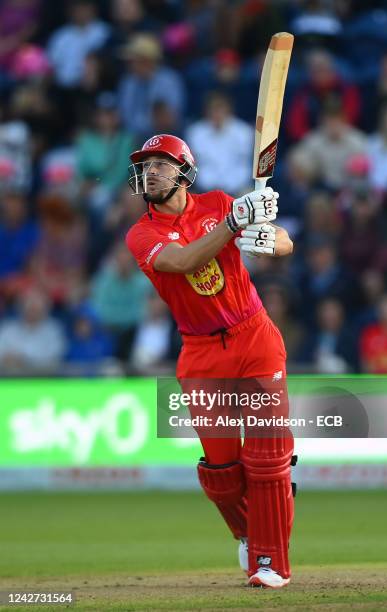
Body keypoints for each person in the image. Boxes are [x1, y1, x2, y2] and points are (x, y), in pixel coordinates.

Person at [125, 134, 296, 589]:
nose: (151, 173)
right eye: (145, 167)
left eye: (161, 164)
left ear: (184, 170)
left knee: (268, 457)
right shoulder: (141, 233)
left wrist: (265, 237)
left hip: (254, 335)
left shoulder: (219, 202)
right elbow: (182, 262)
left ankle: (271, 562)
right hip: (200, 351)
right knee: (220, 472)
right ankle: (248, 533)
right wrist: (234, 224)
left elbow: (285, 244)